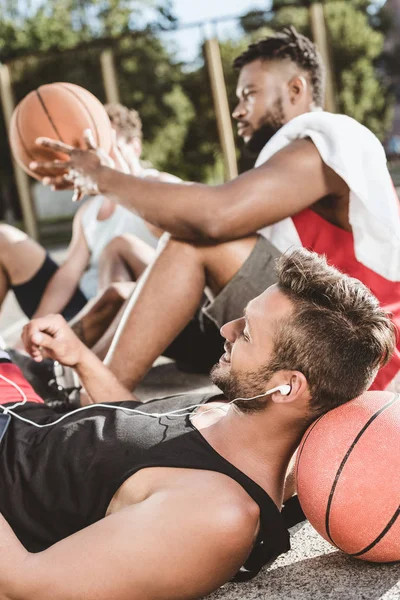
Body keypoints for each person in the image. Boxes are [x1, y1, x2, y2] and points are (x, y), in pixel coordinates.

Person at [0, 249, 395, 600]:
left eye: (248, 333)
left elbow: (23, 584)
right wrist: (82, 359)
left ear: (287, 386)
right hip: (25, 408)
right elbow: (143, 444)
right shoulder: (237, 414)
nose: (227, 330)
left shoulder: (216, 517)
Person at [31, 27, 400, 392]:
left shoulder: (329, 136)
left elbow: (213, 219)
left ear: (296, 89)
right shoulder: (287, 162)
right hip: (317, 328)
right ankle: (70, 381)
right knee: (138, 274)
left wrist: (102, 177)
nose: (238, 110)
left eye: (249, 94)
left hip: (356, 352)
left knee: (195, 244)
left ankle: (95, 401)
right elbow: (190, 219)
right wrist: (117, 176)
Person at [0, 103, 178, 328]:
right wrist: (37, 325)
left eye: (107, 145)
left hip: (140, 308)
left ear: (135, 147)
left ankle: (103, 348)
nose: (99, 154)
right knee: (3, 238)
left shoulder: (163, 185)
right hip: (87, 305)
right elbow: (68, 274)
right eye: (93, 147)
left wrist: (118, 184)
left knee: (117, 247)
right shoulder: (89, 211)